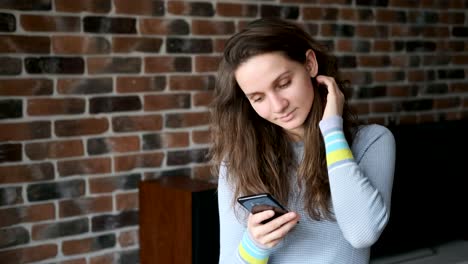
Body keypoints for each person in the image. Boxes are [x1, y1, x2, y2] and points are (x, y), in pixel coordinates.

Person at [209, 17, 395, 264]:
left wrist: (332, 131)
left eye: (284, 83)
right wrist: (255, 246)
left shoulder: (371, 141)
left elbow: (362, 234)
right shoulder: (237, 160)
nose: (278, 106)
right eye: (258, 98)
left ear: (309, 64)